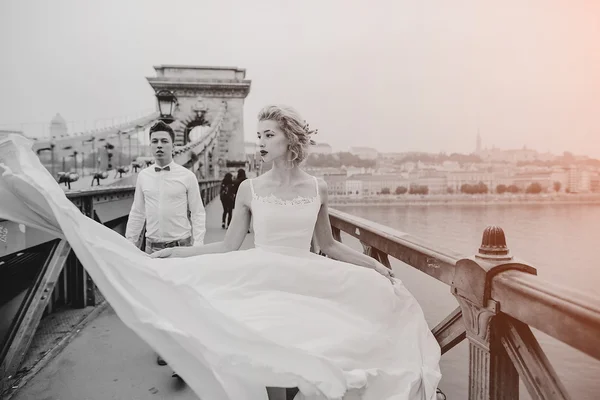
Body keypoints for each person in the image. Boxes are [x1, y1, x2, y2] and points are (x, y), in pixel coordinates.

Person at [0, 105, 441, 400]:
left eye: (269, 134)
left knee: (308, 368)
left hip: (309, 283)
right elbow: (229, 245)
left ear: (290, 139)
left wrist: (377, 271)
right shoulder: (249, 188)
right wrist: (180, 256)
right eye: (258, 135)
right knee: (269, 367)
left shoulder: (318, 187)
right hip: (262, 283)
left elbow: (327, 247)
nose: (261, 142)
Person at [125, 120, 207, 371]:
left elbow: (198, 212)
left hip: (181, 246)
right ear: (150, 146)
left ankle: (182, 348)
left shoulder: (187, 176)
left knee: (181, 299)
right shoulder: (143, 176)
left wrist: (198, 246)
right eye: (155, 141)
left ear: (173, 146)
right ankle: (167, 349)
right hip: (153, 248)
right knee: (158, 300)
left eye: (164, 141)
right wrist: (128, 246)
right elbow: (137, 212)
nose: (159, 146)